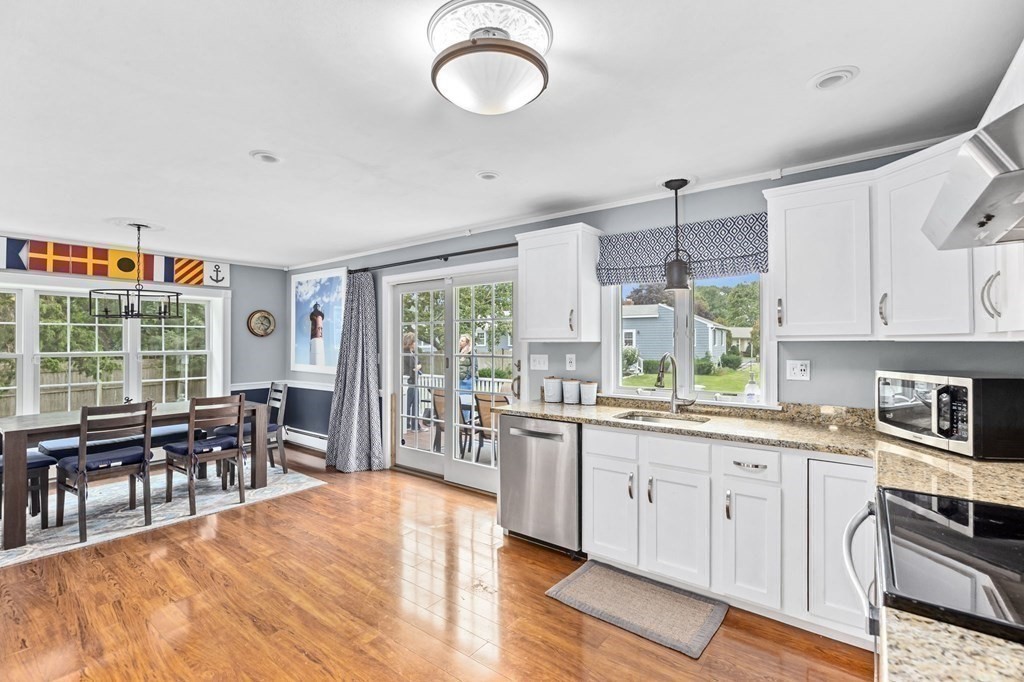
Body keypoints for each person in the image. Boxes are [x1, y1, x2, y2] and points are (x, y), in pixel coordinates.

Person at [402, 332, 424, 431]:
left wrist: (418, 366)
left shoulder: (413, 353)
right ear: (410, 342)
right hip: (410, 382)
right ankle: (409, 425)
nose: (416, 344)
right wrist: (418, 366)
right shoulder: (406, 353)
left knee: (415, 404)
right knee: (409, 404)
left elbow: (418, 365)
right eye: (415, 342)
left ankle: (414, 425)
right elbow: (413, 367)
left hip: (414, 381)